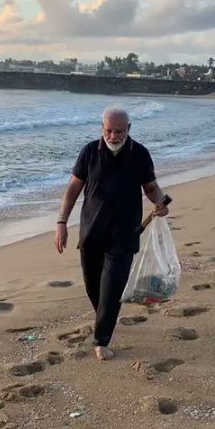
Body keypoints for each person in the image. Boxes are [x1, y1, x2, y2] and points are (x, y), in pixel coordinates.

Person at [54, 107, 169, 361]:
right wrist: (61, 221)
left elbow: (151, 187)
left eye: (119, 131)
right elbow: (73, 188)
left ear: (129, 129)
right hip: (91, 234)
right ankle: (104, 320)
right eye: (108, 130)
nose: (113, 136)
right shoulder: (89, 152)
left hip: (124, 235)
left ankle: (101, 339)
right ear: (102, 128)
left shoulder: (140, 154)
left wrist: (159, 201)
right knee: (94, 288)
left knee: (112, 289)